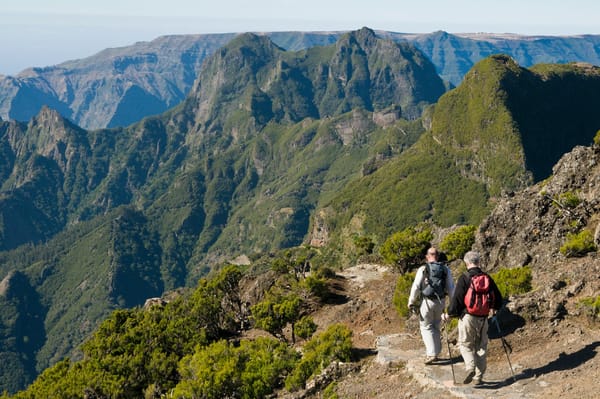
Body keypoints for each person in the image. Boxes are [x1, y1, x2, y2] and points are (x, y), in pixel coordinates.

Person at [444, 251, 503, 385]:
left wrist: (449, 314)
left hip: (468, 317)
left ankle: (470, 367)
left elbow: (457, 299)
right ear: (479, 262)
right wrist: (493, 309)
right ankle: (478, 377)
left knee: (465, 344)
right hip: (484, 317)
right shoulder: (487, 277)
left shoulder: (464, 277)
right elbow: (498, 298)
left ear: (466, 263)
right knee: (481, 346)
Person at [408, 246, 454, 364]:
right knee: (436, 325)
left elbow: (416, 286)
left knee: (425, 326)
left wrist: (411, 301)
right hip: (441, 301)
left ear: (427, 256)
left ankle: (431, 353)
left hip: (427, 301)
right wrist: (453, 304)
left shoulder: (423, 269)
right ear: (437, 256)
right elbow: (451, 288)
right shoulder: (445, 269)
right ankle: (437, 352)